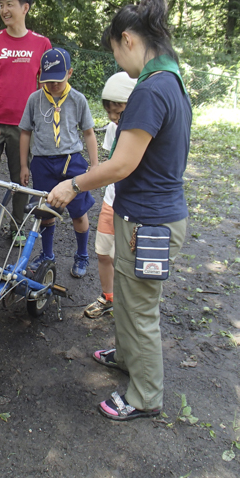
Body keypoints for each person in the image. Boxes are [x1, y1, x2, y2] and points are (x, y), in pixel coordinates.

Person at [47, 0, 192, 421]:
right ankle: (129, 358)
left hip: (149, 223)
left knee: (141, 309)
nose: (118, 60)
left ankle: (145, 395)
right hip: (149, 217)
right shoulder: (173, 83)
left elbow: (122, 163)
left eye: (113, 49)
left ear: (127, 39)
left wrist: (73, 183)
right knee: (129, 301)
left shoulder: (150, 90)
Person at [0, 0, 52, 248]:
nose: (4, 9)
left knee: (22, 176)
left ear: (25, 8)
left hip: (25, 125)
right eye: (1, 4)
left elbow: (45, 85)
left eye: (10, 4)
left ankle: (18, 225)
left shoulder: (41, 43)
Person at [19, 48, 98, 278]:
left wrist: (94, 166)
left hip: (71, 162)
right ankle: (47, 254)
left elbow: (89, 133)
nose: (53, 85)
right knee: (46, 212)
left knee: (79, 212)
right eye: (48, 80)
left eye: (58, 80)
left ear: (70, 73)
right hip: (42, 163)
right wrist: (24, 165)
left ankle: (82, 254)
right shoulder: (35, 99)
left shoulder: (77, 99)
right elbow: (25, 132)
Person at [84, 71, 136, 318]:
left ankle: (128, 307)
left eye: (119, 112)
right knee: (103, 253)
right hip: (111, 200)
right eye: (110, 113)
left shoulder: (140, 132)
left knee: (128, 261)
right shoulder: (114, 129)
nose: (114, 119)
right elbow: (110, 161)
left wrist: (79, 183)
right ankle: (108, 298)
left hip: (133, 207)